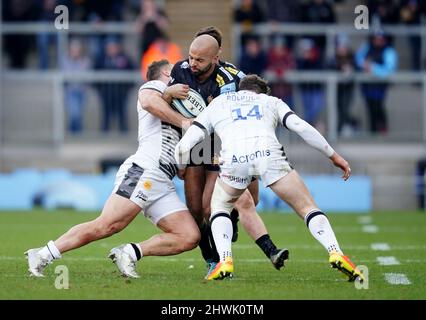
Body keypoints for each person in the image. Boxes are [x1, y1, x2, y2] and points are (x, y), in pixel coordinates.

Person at [175, 74, 364, 282]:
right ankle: (335, 251)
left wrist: (181, 164)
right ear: (261, 92)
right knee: (307, 207)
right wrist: (333, 156)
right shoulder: (271, 101)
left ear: (241, 89)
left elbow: (185, 144)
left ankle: (225, 261)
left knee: (220, 207)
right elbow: (301, 127)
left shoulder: (219, 103)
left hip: (234, 158)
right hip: (269, 155)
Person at [25, 60, 199, 279]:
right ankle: (42, 254)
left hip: (163, 181)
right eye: (173, 70)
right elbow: (148, 103)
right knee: (107, 225)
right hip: (144, 170)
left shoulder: (177, 105)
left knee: (189, 236)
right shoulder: (153, 86)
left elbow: (182, 166)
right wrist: (185, 121)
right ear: (165, 72)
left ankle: (129, 253)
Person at [164, 29, 288, 280]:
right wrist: (168, 93)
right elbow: (164, 101)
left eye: (199, 60)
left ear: (215, 58)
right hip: (197, 142)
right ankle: (213, 259)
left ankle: (226, 233)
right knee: (196, 210)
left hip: (226, 142)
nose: (193, 64)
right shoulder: (179, 70)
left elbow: (255, 110)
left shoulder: (232, 79)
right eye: (191, 57)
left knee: (236, 203)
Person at [355, 31, 398, 134]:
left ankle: (382, 130)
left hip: (379, 86)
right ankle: (372, 131)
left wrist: (372, 68)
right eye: (375, 39)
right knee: (370, 108)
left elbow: (389, 70)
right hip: (367, 86)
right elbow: (358, 59)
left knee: (378, 107)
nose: (378, 41)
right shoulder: (367, 47)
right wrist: (365, 65)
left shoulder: (388, 51)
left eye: (380, 39)